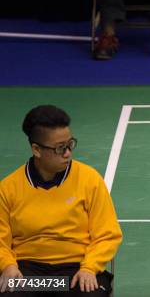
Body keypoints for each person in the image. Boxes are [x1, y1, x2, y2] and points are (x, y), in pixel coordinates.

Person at [0, 105, 122, 295]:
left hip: (77, 271)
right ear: (36, 149)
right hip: (27, 273)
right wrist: (8, 266)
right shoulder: (8, 188)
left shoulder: (90, 180)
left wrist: (89, 268)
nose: (67, 153)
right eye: (59, 148)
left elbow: (107, 234)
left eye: (70, 144)